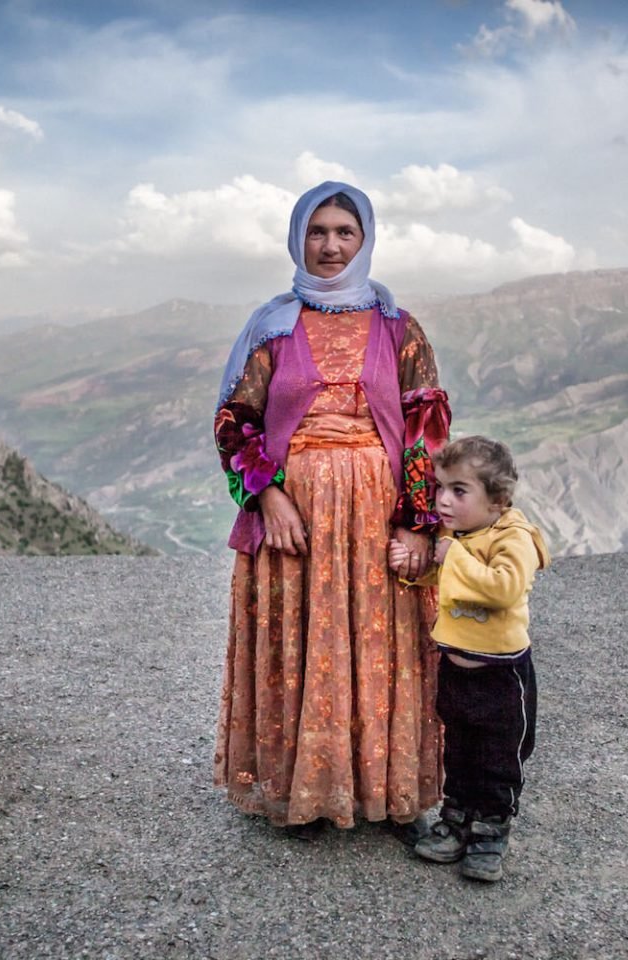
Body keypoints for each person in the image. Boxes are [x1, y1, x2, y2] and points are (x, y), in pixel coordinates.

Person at [213, 181, 451, 836]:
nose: (330, 245)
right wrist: (268, 496)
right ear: (297, 238)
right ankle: (307, 790)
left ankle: (387, 790)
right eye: (317, 232)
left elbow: (427, 431)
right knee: (302, 644)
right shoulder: (273, 328)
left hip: (378, 512)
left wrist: (417, 522)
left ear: (366, 239)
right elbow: (236, 422)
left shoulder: (399, 328)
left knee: (384, 645)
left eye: (345, 232)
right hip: (296, 516)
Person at [388, 435, 549, 881]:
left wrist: (452, 556)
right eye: (440, 487)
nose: (443, 500)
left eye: (459, 490)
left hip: (501, 674)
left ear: (497, 499)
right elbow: (443, 577)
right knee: (459, 752)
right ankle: (456, 820)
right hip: (456, 668)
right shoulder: (457, 536)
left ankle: (491, 831)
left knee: (498, 758)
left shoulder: (513, 537)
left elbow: (504, 587)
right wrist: (412, 568)